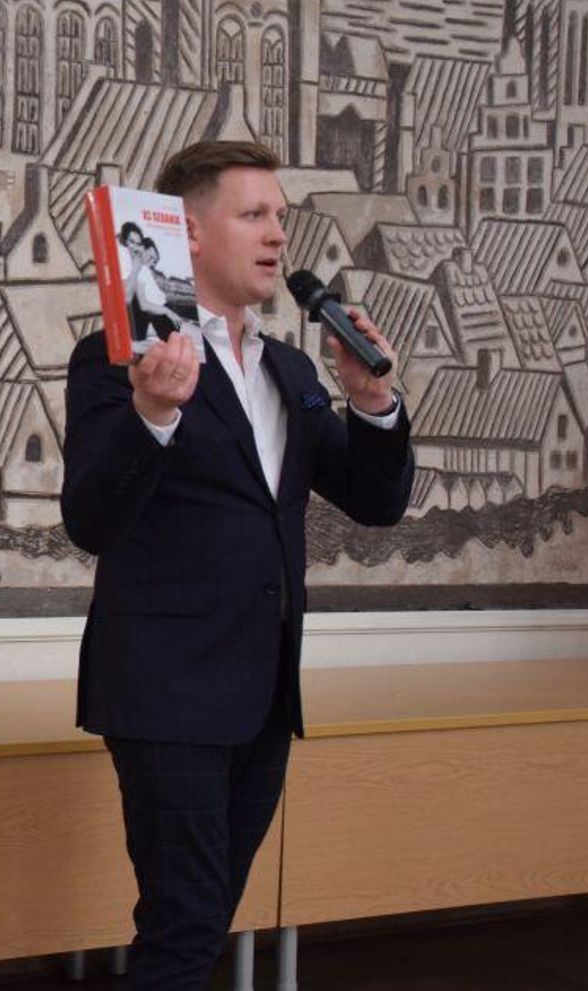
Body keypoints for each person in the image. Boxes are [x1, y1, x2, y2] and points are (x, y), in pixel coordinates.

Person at [62, 141, 414, 989]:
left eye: (280, 216)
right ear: (184, 232)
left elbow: (376, 501)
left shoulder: (290, 370)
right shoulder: (118, 358)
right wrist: (152, 413)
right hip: (166, 692)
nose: (278, 234)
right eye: (254, 215)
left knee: (201, 922)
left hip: (264, 695)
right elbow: (90, 519)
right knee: (184, 927)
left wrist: (373, 404)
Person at [118, 223, 180, 342]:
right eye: (151, 257)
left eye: (138, 244)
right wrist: (168, 312)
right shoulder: (130, 263)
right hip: (152, 314)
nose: (135, 248)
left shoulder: (143, 268)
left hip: (157, 313)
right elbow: (134, 301)